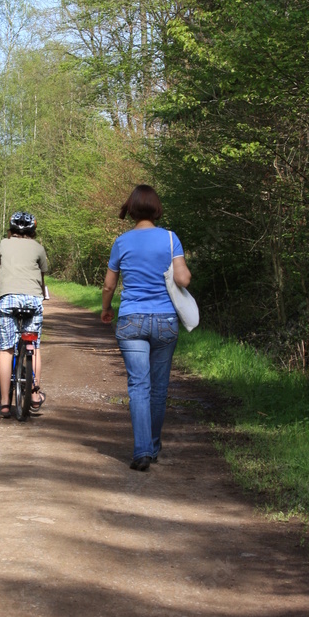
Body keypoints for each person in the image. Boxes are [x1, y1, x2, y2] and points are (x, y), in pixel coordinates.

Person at [101, 185, 192, 470]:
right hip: (165, 320)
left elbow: (109, 284)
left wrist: (106, 309)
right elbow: (183, 280)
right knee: (159, 387)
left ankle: (141, 451)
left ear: (131, 208)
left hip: (131, 320)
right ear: (156, 208)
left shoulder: (121, 241)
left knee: (138, 385)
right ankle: (152, 446)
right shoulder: (169, 239)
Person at [0, 211, 49, 419]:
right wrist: (41, 294)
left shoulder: (4, 244)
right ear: (33, 231)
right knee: (34, 346)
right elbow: (41, 277)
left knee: (6, 350)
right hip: (33, 300)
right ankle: (35, 396)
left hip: (9, 300)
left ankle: (4, 405)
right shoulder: (38, 248)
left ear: (10, 230)